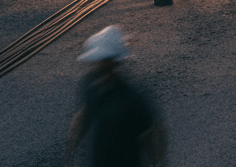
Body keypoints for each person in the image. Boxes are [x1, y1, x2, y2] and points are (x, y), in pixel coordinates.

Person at [67, 26, 166, 167]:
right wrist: (73, 142)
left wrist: (159, 161)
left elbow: (152, 137)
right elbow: (86, 113)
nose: (100, 66)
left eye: (104, 61)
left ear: (115, 63)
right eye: (98, 62)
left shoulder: (131, 99)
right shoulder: (90, 86)